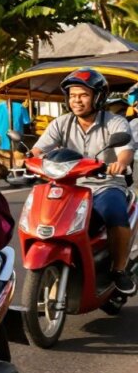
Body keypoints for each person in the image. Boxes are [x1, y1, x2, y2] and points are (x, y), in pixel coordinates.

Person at [31, 68, 136, 295]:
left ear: (98, 97)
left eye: (83, 95)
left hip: (105, 185)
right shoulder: (61, 123)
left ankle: (119, 270)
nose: (76, 100)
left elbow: (125, 151)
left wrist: (119, 163)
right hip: (68, 185)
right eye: (73, 95)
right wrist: (35, 159)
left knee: (115, 213)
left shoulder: (115, 123)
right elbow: (38, 149)